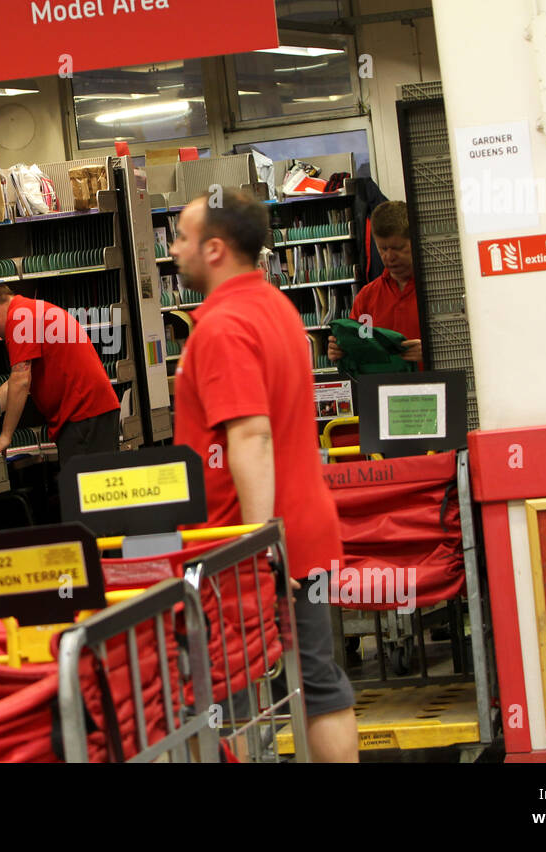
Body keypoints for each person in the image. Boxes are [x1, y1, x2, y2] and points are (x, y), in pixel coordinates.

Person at [170, 188, 359, 763]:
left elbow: (251, 435)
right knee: (318, 685)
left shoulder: (223, 327)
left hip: (247, 545)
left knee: (213, 699)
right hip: (305, 533)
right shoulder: (277, 308)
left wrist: (259, 545)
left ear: (217, 249)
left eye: (182, 237)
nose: (174, 249)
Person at [0, 283, 120, 465]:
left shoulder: (19, 317)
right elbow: (15, 382)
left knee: (85, 488)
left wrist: (5, 436)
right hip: (90, 413)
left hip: (83, 414)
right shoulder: (30, 310)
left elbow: (21, 381)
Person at [328, 200, 422, 366]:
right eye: (383, 249)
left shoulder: (437, 291)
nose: (389, 257)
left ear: (415, 240)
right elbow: (359, 347)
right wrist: (340, 351)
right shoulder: (366, 297)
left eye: (398, 248)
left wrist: (432, 351)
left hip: (433, 388)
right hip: (380, 390)